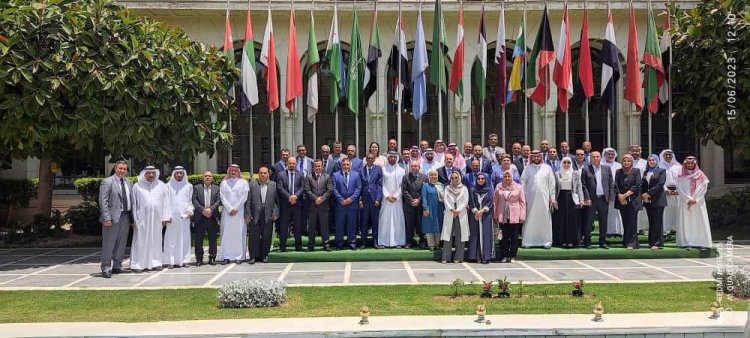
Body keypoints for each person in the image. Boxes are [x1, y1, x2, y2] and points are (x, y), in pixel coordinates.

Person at [131, 166, 171, 272]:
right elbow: (134, 204)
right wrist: (134, 220)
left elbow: (166, 202)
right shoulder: (137, 186)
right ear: (144, 174)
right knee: (140, 241)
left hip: (157, 220)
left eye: (153, 173)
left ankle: (156, 262)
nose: (151, 175)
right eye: (149, 173)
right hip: (141, 219)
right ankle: (138, 264)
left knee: (156, 241)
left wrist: (165, 217)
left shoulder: (162, 186)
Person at [98, 160, 135, 278]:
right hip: (112, 218)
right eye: (120, 168)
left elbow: (131, 201)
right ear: (115, 168)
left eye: (124, 169)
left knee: (121, 243)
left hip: (126, 216)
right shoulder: (107, 182)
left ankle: (117, 266)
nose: (122, 171)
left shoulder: (129, 183)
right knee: (109, 244)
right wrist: (106, 218)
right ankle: (106, 267)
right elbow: (102, 201)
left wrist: (132, 218)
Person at [520, 150, 557, 248]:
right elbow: (523, 184)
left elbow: (552, 184)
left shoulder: (547, 168)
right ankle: (528, 242)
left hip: (544, 199)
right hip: (530, 199)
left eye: (538, 157)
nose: (536, 158)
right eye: (534, 157)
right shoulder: (527, 168)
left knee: (544, 219)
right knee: (530, 219)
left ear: (541, 157)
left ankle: (545, 242)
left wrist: (552, 198)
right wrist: (523, 198)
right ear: (531, 158)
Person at [675, 156, 712, 248]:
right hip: (685, 202)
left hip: (698, 203)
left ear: (695, 164)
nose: (690, 165)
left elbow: (704, 188)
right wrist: (688, 199)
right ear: (685, 164)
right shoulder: (680, 176)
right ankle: (687, 242)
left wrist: (696, 199)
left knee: (699, 222)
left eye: (692, 163)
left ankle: (701, 242)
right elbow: (679, 189)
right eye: (688, 163)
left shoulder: (701, 174)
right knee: (686, 222)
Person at [580, 151, 614, 249]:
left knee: (603, 221)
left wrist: (611, 197)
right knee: (589, 221)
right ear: (590, 158)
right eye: (593, 157)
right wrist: (587, 198)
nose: (595, 158)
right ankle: (587, 242)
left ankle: (602, 242)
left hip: (603, 199)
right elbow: (584, 185)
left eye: (597, 156)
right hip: (591, 199)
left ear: (600, 158)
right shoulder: (586, 169)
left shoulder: (606, 169)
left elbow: (611, 184)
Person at [246, 166, 279, 263]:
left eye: (265, 173)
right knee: (253, 236)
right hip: (255, 214)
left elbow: (277, 202)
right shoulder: (252, 185)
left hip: (268, 214)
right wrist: (248, 213)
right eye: (261, 173)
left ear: (268, 174)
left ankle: (264, 255)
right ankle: (253, 257)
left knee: (267, 236)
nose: (263, 175)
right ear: (258, 174)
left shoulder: (274, 185)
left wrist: (275, 212)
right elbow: (248, 201)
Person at [218, 164, 249, 264]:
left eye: (235, 171)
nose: (233, 172)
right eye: (231, 171)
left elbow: (244, 197)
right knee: (226, 234)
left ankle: (239, 257)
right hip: (227, 213)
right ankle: (226, 256)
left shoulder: (243, 182)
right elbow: (222, 197)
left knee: (239, 233)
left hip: (239, 212)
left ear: (238, 172)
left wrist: (236, 208)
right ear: (229, 172)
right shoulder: (224, 183)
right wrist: (229, 208)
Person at [163, 166, 193, 268]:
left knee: (184, 238)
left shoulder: (189, 186)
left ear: (184, 174)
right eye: (177, 173)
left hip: (184, 217)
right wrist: (166, 215)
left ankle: (184, 260)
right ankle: (170, 261)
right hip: (171, 217)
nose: (179, 175)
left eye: (181, 173)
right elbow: (165, 202)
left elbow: (190, 201)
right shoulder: (168, 186)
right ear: (174, 174)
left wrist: (189, 211)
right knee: (170, 239)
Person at [493, 171, 526, 263]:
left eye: (509, 176)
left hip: (515, 215)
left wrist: (522, 216)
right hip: (502, 215)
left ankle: (512, 255)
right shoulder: (499, 186)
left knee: (514, 237)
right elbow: (495, 201)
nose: (507, 178)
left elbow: (522, 202)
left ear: (512, 177)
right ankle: (505, 255)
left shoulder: (518, 187)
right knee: (504, 237)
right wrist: (495, 214)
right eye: (505, 176)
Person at [553, 157, 584, 248]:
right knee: (561, 220)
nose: (566, 164)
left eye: (568, 163)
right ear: (562, 163)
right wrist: (554, 200)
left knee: (572, 220)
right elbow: (555, 188)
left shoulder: (575, 173)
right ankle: (561, 241)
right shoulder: (557, 174)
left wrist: (581, 199)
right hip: (561, 198)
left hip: (572, 198)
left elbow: (579, 187)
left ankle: (571, 241)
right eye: (565, 162)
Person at [193, 171, 221, 266]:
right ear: (202, 178)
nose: (208, 177)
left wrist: (210, 210)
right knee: (198, 239)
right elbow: (194, 200)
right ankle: (199, 259)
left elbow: (218, 200)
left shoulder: (217, 188)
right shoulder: (197, 188)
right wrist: (203, 210)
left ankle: (212, 258)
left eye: (209, 176)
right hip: (200, 217)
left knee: (213, 239)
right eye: (206, 176)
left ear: (212, 178)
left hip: (212, 217)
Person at [614, 154, 642, 250]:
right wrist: (620, 196)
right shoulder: (618, 172)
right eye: (624, 161)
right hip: (622, 201)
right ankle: (625, 241)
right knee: (625, 221)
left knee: (632, 222)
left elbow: (637, 185)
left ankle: (632, 243)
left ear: (631, 162)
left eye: (628, 161)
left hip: (633, 201)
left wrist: (625, 195)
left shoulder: (636, 171)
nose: (626, 163)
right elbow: (616, 185)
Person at [332, 158, 362, 250]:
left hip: (352, 204)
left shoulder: (356, 175)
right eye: (344, 165)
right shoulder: (335, 175)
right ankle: (339, 243)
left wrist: (352, 198)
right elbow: (334, 189)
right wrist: (341, 199)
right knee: (339, 224)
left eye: (347, 165)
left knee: (351, 224)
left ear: (350, 166)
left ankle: (352, 242)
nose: (345, 166)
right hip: (340, 204)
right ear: (341, 165)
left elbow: (358, 188)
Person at [303, 160, 332, 251]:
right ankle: (311, 245)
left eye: (319, 166)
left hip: (323, 206)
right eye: (316, 166)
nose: (317, 168)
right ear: (313, 167)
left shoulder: (327, 177)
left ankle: (326, 244)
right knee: (311, 226)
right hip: (312, 206)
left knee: (324, 226)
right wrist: (316, 198)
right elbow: (307, 190)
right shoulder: (308, 177)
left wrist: (322, 198)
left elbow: (329, 190)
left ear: (322, 167)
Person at [379, 152, 406, 247]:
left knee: (397, 220)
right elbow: (381, 184)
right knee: (384, 220)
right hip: (385, 199)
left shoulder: (402, 170)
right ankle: (383, 241)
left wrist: (396, 195)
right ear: (388, 158)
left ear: (397, 158)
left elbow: (402, 185)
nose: (393, 158)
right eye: (391, 157)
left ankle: (399, 241)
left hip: (397, 199)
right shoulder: (382, 169)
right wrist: (386, 195)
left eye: (394, 157)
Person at [277, 156, 304, 252]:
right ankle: (282, 246)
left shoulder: (300, 175)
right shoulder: (281, 175)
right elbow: (280, 188)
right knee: (283, 226)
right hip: (285, 204)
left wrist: (295, 196)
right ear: (287, 164)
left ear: (296, 164)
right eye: (290, 163)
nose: (292, 165)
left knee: (297, 226)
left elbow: (302, 187)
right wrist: (289, 197)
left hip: (297, 204)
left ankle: (298, 246)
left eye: (293, 163)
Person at [441, 172, 469, 263]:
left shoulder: (464, 188)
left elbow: (465, 201)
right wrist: (452, 209)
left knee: (460, 236)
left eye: (456, 177)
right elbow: (445, 200)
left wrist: (458, 210)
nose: (454, 179)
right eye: (452, 178)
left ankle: (458, 257)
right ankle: (445, 257)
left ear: (460, 178)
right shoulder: (447, 188)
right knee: (447, 235)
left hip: (460, 214)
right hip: (450, 213)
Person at [641, 154, 667, 250]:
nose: (652, 162)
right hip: (648, 201)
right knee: (651, 221)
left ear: (657, 161)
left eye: (654, 160)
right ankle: (651, 241)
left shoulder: (661, 171)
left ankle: (658, 242)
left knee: (657, 221)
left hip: (658, 200)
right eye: (650, 160)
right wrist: (644, 195)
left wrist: (648, 193)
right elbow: (643, 185)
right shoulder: (646, 172)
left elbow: (660, 184)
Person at [467, 172, 494, 264]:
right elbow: (471, 201)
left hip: (486, 215)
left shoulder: (489, 190)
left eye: (482, 179)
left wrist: (482, 211)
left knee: (486, 235)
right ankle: (476, 256)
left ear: (485, 179)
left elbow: (490, 202)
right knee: (475, 235)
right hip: (474, 215)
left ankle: (486, 256)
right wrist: (475, 211)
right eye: (478, 179)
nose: (480, 180)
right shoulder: (472, 190)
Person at [359, 153, 383, 248]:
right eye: (368, 158)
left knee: (375, 222)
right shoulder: (361, 170)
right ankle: (363, 242)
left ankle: (375, 242)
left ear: (374, 159)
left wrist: (378, 198)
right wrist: (360, 199)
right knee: (363, 222)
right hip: (364, 200)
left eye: (371, 158)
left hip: (374, 200)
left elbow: (380, 185)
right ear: (366, 159)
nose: (369, 159)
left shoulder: (378, 169)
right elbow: (359, 186)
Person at [403, 160, 427, 248]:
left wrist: (418, 200)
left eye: (416, 166)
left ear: (419, 167)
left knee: (420, 224)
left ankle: (422, 241)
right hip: (409, 205)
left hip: (420, 205)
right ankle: (409, 241)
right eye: (412, 166)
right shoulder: (405, 177)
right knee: (409, 224)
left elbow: (424, 191)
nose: (414, 168)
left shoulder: (424, 177)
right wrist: (411, 200)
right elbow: (404, 190)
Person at [602, 147, 624, 236]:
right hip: (605, 192)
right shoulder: (601, 164)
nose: (610, 156)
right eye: (608, 154)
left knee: (617, 211)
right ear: (604, 155)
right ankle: (607, 231)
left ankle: (618, 231)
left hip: (617, 191)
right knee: (606, 212)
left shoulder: (619, 165)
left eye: (612, 154)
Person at [421, 169, 444, 250]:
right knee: (429, 226)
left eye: (435, 175)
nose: (434, 176)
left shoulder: (441, 185)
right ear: (429, 176)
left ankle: (437, 245)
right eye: (432, 175)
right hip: (429, 208)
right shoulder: (425, 185)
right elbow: (424, 197)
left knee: (438, 226)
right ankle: (431, 245)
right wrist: (425, 208)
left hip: (439, 209)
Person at [659, 149, 681, 233]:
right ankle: (664, 230)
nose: (668, 156)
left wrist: (678, 190)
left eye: (670, 155)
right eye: (666, 155)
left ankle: (675, 229)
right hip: (664, 191)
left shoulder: (678, 166)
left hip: (676, 192)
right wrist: (665, 190)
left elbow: (681, 179)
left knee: (675, 210)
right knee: (664, 211)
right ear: (662, 156)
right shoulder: (659, 166)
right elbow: (659, 180)